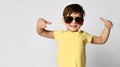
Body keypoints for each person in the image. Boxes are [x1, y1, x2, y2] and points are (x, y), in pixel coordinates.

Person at [36, 3, 113, 67]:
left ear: (82, 21)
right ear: (63, 20)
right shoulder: (59, 34)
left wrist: (107, 27)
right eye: (69, 19)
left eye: (78, 19)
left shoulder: (83, 35)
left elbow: (102, 40)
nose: (73, 22)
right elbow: (41, 32)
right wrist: (39, 24)